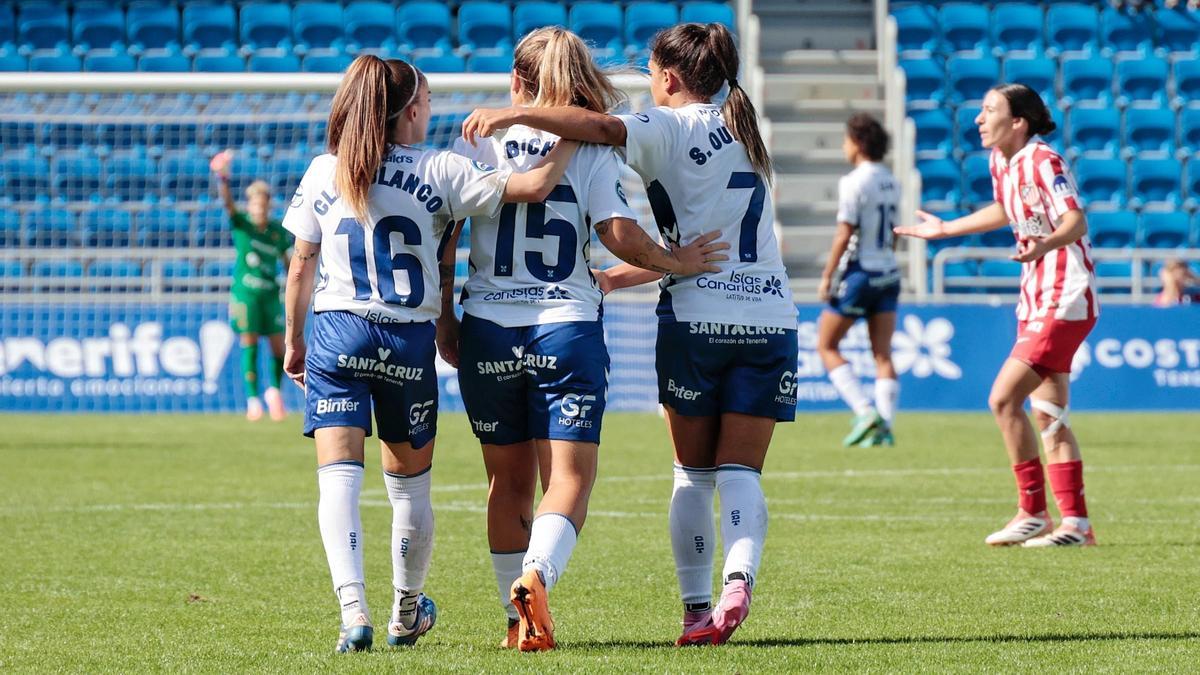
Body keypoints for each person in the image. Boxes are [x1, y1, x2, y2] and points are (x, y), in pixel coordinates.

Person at [462, 22, 798, 646]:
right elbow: (660, 238)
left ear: (670, 79)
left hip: (681, 319)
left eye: (649, 74)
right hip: (768, 315)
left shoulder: (662, 125)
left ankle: (690, 608)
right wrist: (623, 276)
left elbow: (602, 130)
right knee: (741, 473)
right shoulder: (750, 131)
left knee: (688, 475)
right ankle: (736, 583)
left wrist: (513, 115)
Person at [281, 54, 579, 653]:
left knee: (338, 481)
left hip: (338, 332)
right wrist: (574, 131)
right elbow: (534, 186)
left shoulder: (326, 170)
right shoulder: (441, 168)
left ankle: (352, 612)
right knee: (409, 489)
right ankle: (405, 612)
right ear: (412, 111)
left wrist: (294, 342)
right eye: (429, 101)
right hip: (405, 340)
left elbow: (301, 266)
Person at [894, 83, 1098, 548]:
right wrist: (947, 229)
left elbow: (1075, 220)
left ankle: (1032, 511)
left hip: (1065, 295)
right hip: (1035, 297)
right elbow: (1007, 209)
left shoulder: (1044, 160)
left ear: (1019, 122)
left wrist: (1047, 242)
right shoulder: (1001, 161)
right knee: (1049, 414)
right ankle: (1077, 525)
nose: (978, 119)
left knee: (1004, 399)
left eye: (989, 111)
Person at [815, 113, 901, 447]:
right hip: (889, 273)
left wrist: (829, 276)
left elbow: (844, 232)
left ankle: (866, 411)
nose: (844, 146)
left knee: (826, 344)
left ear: (859, 143)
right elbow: (893, 233)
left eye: (847, 139)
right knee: (883, 354)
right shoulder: (892, 180)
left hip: (860, 273)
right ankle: (885, 427)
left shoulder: (854, 181)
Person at [210, 153, 291, 421]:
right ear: (250, 205)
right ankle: (253, 399)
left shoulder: (278, 231)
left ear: (268, 206)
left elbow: (289, 262)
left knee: (279, 347)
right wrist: (223, 177)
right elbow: (227, 203)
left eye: (263, 205)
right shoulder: (242, 224)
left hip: (270, 295)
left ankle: (274, 392)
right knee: (250, 342)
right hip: (245, 295)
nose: (258, 209)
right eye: (255, 204)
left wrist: (294, 287)